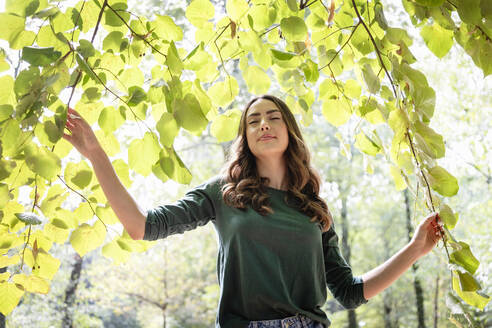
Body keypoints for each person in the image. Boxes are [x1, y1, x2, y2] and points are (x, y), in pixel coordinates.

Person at [63, 95, 443, 328]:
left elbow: (349, 292)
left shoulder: (314, 209)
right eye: (253, 120)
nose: (263, 124)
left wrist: (415, 248)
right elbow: (140, 226)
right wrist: (96, 154)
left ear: (290, 131)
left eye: (273, 117)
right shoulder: (222, 193)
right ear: (244, 137)